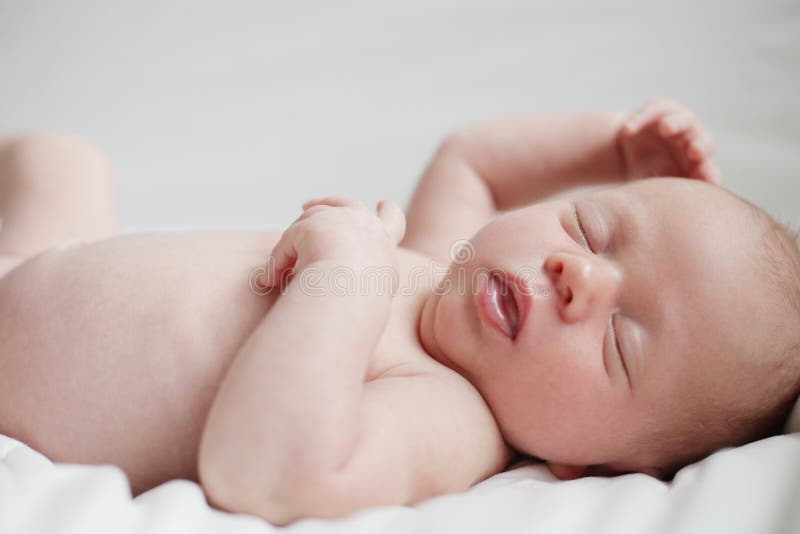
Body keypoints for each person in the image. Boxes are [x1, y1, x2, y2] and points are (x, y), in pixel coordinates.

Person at [0, 100, 797, 525]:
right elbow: (470, 160)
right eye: (592, 226)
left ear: (593, 466)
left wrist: (345, 271)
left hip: (22, 384)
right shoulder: (447, 268)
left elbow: (270, 475)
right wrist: (612, 150)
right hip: (47, 273)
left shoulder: (452, 416)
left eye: (620, 341)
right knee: (62, 162)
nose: (576, 274)